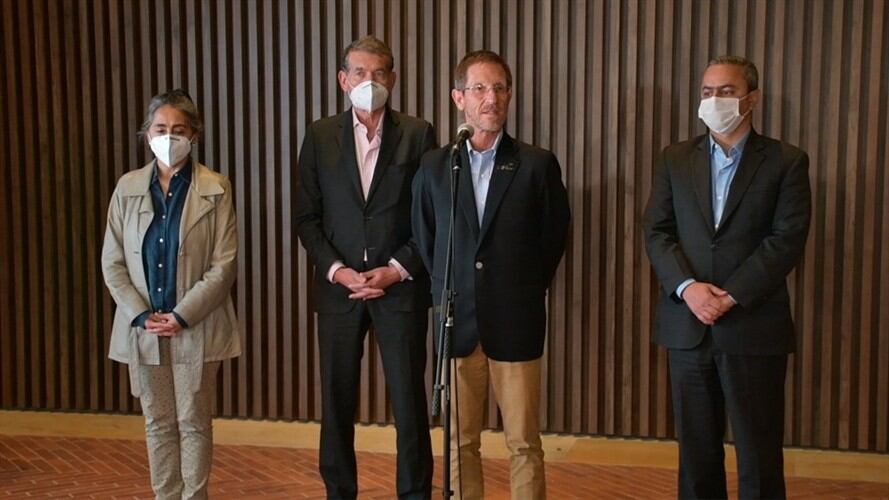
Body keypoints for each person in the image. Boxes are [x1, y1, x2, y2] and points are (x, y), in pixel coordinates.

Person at [642, 56, 812, 499]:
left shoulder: (786, 162)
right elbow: (657, 231)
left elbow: (786, 240)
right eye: (707, 92)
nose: (714, 100)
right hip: (688, 326)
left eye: (726, 92)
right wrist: (688, 288)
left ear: (751, 99)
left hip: (753, 327)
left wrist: (731, 295)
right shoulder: (675, 158)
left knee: (758, 455)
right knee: (696, 457)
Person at [412, 50, 570, 500]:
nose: (491, 99)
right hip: (455, 322)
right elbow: (427, 239)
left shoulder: (537, 164)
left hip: (515, 322)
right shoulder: (436, 166)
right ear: (458, 98)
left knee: (523, 442)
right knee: (460, 442)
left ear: (510, 96)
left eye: (500, 88)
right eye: (480, 88)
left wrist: (519, 289)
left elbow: (552, 238)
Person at [294, 35, 435, 500]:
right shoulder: (318, 136)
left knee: (410, 405)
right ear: (342, 79)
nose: (368, 82)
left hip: (400, 290)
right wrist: (337, 270)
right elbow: (306, 218)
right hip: (339, 291)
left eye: (379, 73)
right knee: (336, 404)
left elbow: (430, 216)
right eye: (359, 72)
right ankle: (339, 492)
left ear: (393, 79)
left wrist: (397, 268)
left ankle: (414, 494)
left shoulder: (418, 133)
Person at [101, 89, 241, 499]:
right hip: (143, 329)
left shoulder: (216, 188)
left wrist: (180, 315)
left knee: (193, 421)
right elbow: (113, 263)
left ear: (194, 135)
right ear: (147, 134)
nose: (169, 136)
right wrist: (142, 315)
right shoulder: (127, 188)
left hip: (194, 327)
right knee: (158, 422)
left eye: (178, 129)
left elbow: (224, 264)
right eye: (160, 128)